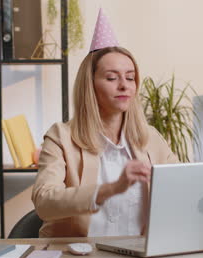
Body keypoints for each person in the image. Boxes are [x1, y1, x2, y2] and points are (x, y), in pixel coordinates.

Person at [31, 9, 179, 238]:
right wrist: (111, 189)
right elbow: (44, 201)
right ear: (90, 86)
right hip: (77, 256)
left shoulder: (150, 139)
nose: (124, 85)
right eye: (112, 78)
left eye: (130, 77)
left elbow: (182, 188)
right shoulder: (61, 137)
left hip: (138, 255)